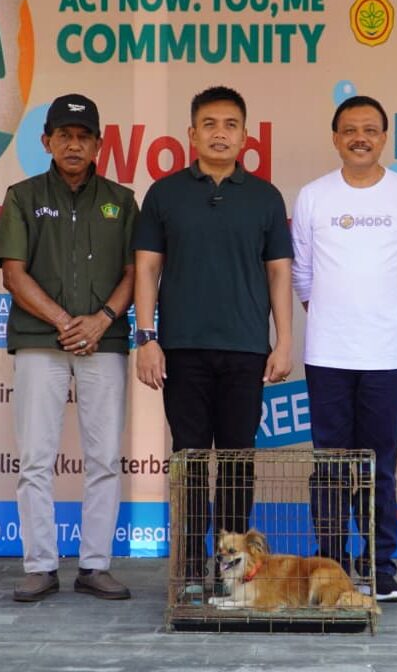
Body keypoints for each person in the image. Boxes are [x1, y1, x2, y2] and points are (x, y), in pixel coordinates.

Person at [132, 86, 293, 595]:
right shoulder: (164, 193)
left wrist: (283, 340)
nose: (219, 133)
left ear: (246, 135)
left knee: (239, 461)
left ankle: (231, 573)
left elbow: (279, 275)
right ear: (191, 133)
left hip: (247, 350)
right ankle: (184, 571)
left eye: (229, 124)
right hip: (182, 348)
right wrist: (146, 337)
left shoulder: (265, 197)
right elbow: (147, 269)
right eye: (209, 124)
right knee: (190, 460)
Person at [0, 94, 137, 603]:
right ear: (46, 140)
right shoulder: (23, 195)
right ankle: (40, 565)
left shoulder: (122, 198)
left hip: (105, 340)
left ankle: (95, 565)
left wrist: (101, 321)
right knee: (35, 458)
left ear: (99, 143)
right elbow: (13, 272)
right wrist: (63, 322)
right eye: (64, 135)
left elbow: (135, 273)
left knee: (104, 458)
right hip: (39, 342)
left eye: (84, 136)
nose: (74, 145)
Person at [290, 95, 397, 602]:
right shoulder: (313, 196)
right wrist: (336, 318)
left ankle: (380, 567)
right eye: (350, 129)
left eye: (371, 130)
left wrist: (374, 318)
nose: (360, 138)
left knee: (379, 466)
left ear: (384, 137)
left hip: (387, 358)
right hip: (327, 355)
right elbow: (302, 275)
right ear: (335, 137)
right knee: (329, 464)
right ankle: (331, 566)